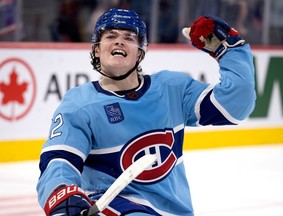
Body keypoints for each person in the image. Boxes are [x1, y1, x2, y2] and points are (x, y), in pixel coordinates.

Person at [36, 8, 256, 216]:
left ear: (140, 52)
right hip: (114, 206)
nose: (120, 40)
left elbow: (236, 106)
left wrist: (230, 50)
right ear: (96, 49)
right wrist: (62, 196)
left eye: (130, 38)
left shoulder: (172, 88)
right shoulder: (80, 105)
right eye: (110, 36)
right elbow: (59, 160)